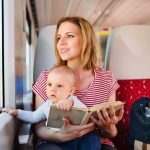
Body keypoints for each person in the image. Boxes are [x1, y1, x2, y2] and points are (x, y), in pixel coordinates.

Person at [33, 16, 124, 150]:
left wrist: (109, 128)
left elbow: (110, 134)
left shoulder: (107, 79)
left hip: (94, 143)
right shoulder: (47, 77)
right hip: (54, 142)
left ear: (86, 41)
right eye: (58, 37)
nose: (61, 42)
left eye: (69, 36)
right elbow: (39, 126)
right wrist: (60, 136)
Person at [2, 65, 101, 150]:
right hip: (59, 141)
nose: (52, 89)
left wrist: (70, 103)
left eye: (59, 86)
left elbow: (86, 113)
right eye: (49, 84)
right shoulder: (47, 105)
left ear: (71, 91)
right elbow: (33, 117)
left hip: (80, 138)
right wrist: (17, 112)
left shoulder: (73, 100)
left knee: (92, 137)